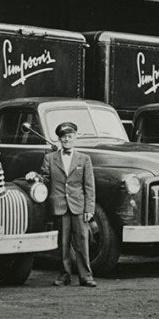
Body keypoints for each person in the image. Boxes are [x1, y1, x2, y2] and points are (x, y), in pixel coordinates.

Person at [40, 122, 97, 287]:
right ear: (59, 139)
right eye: (64, 137)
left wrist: (89, 209)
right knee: (63, 244)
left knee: (82, 242)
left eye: (70, 136)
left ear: (75, 137)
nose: (67, 139)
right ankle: (64, 275)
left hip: (79, 206)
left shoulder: (84, 159)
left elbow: (89, 186)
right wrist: (34, 177)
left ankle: (86, 276)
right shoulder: (50, 158)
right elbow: (45, 178)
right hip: (60, 206)